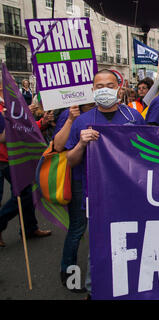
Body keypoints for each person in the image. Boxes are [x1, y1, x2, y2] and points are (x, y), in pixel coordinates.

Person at [65, 69, 146, 297]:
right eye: (99, 87)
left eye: (109, 85)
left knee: (132, 240)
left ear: (118, 89)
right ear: (92, 90)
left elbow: (148, 153)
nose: (104, 90)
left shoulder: (133, 117)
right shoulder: (82, 121)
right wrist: (81, 145)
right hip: (97, 195)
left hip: (130, 193)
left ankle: (130, 285)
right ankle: (95, 290)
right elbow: (70, 161)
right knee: (99, 245)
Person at [0, 83, 51, 247]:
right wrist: (18, 117)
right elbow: (4, 136)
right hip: (5, 159)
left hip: (15, 157)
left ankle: (29, 228)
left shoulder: (8, 106)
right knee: (23, 194)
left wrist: (42, 121)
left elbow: (24, 127)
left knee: (28, 192)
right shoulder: (2, 108)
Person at [52, 103, 95, 293]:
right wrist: (70, 119)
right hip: (79, 179)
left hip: (102, 180)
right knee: (77, 228)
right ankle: (69, 275)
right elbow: (58, 145)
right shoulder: (71, 113)